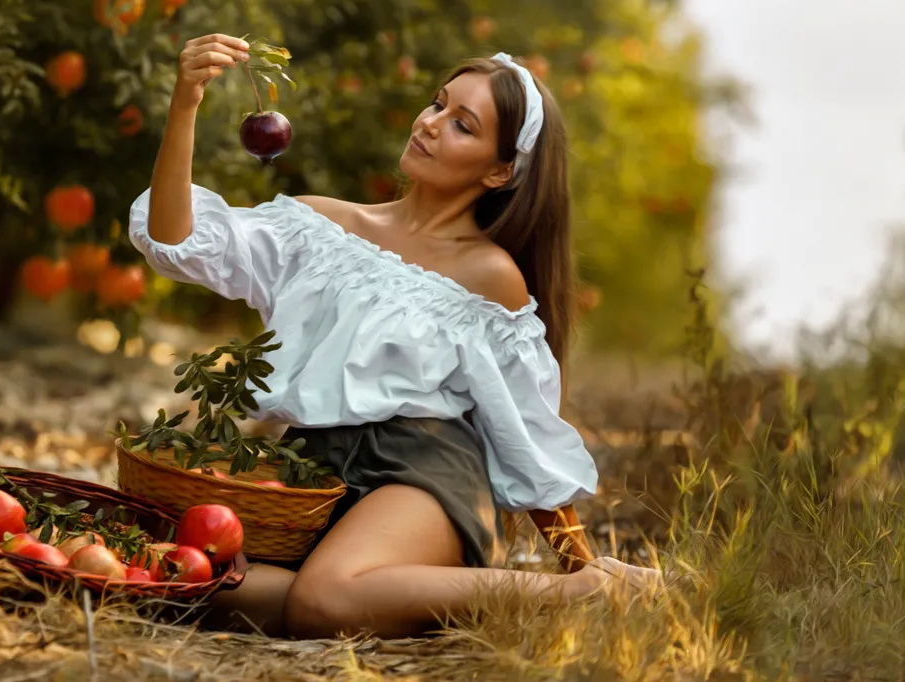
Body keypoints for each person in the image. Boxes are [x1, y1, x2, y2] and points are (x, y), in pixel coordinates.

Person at [128, 33, 663, 640]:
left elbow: (523, 434)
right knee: (196, 581)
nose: (430, 123)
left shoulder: (488, 275)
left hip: (424, 472)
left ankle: (578, 592)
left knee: (323, 599)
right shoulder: (321, 227)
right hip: (310, 468)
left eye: (462, 124)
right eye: (438, 103)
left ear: (499, 170)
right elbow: (175, 241)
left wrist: (578, 563)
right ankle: (391, 595)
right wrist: (186, 103)